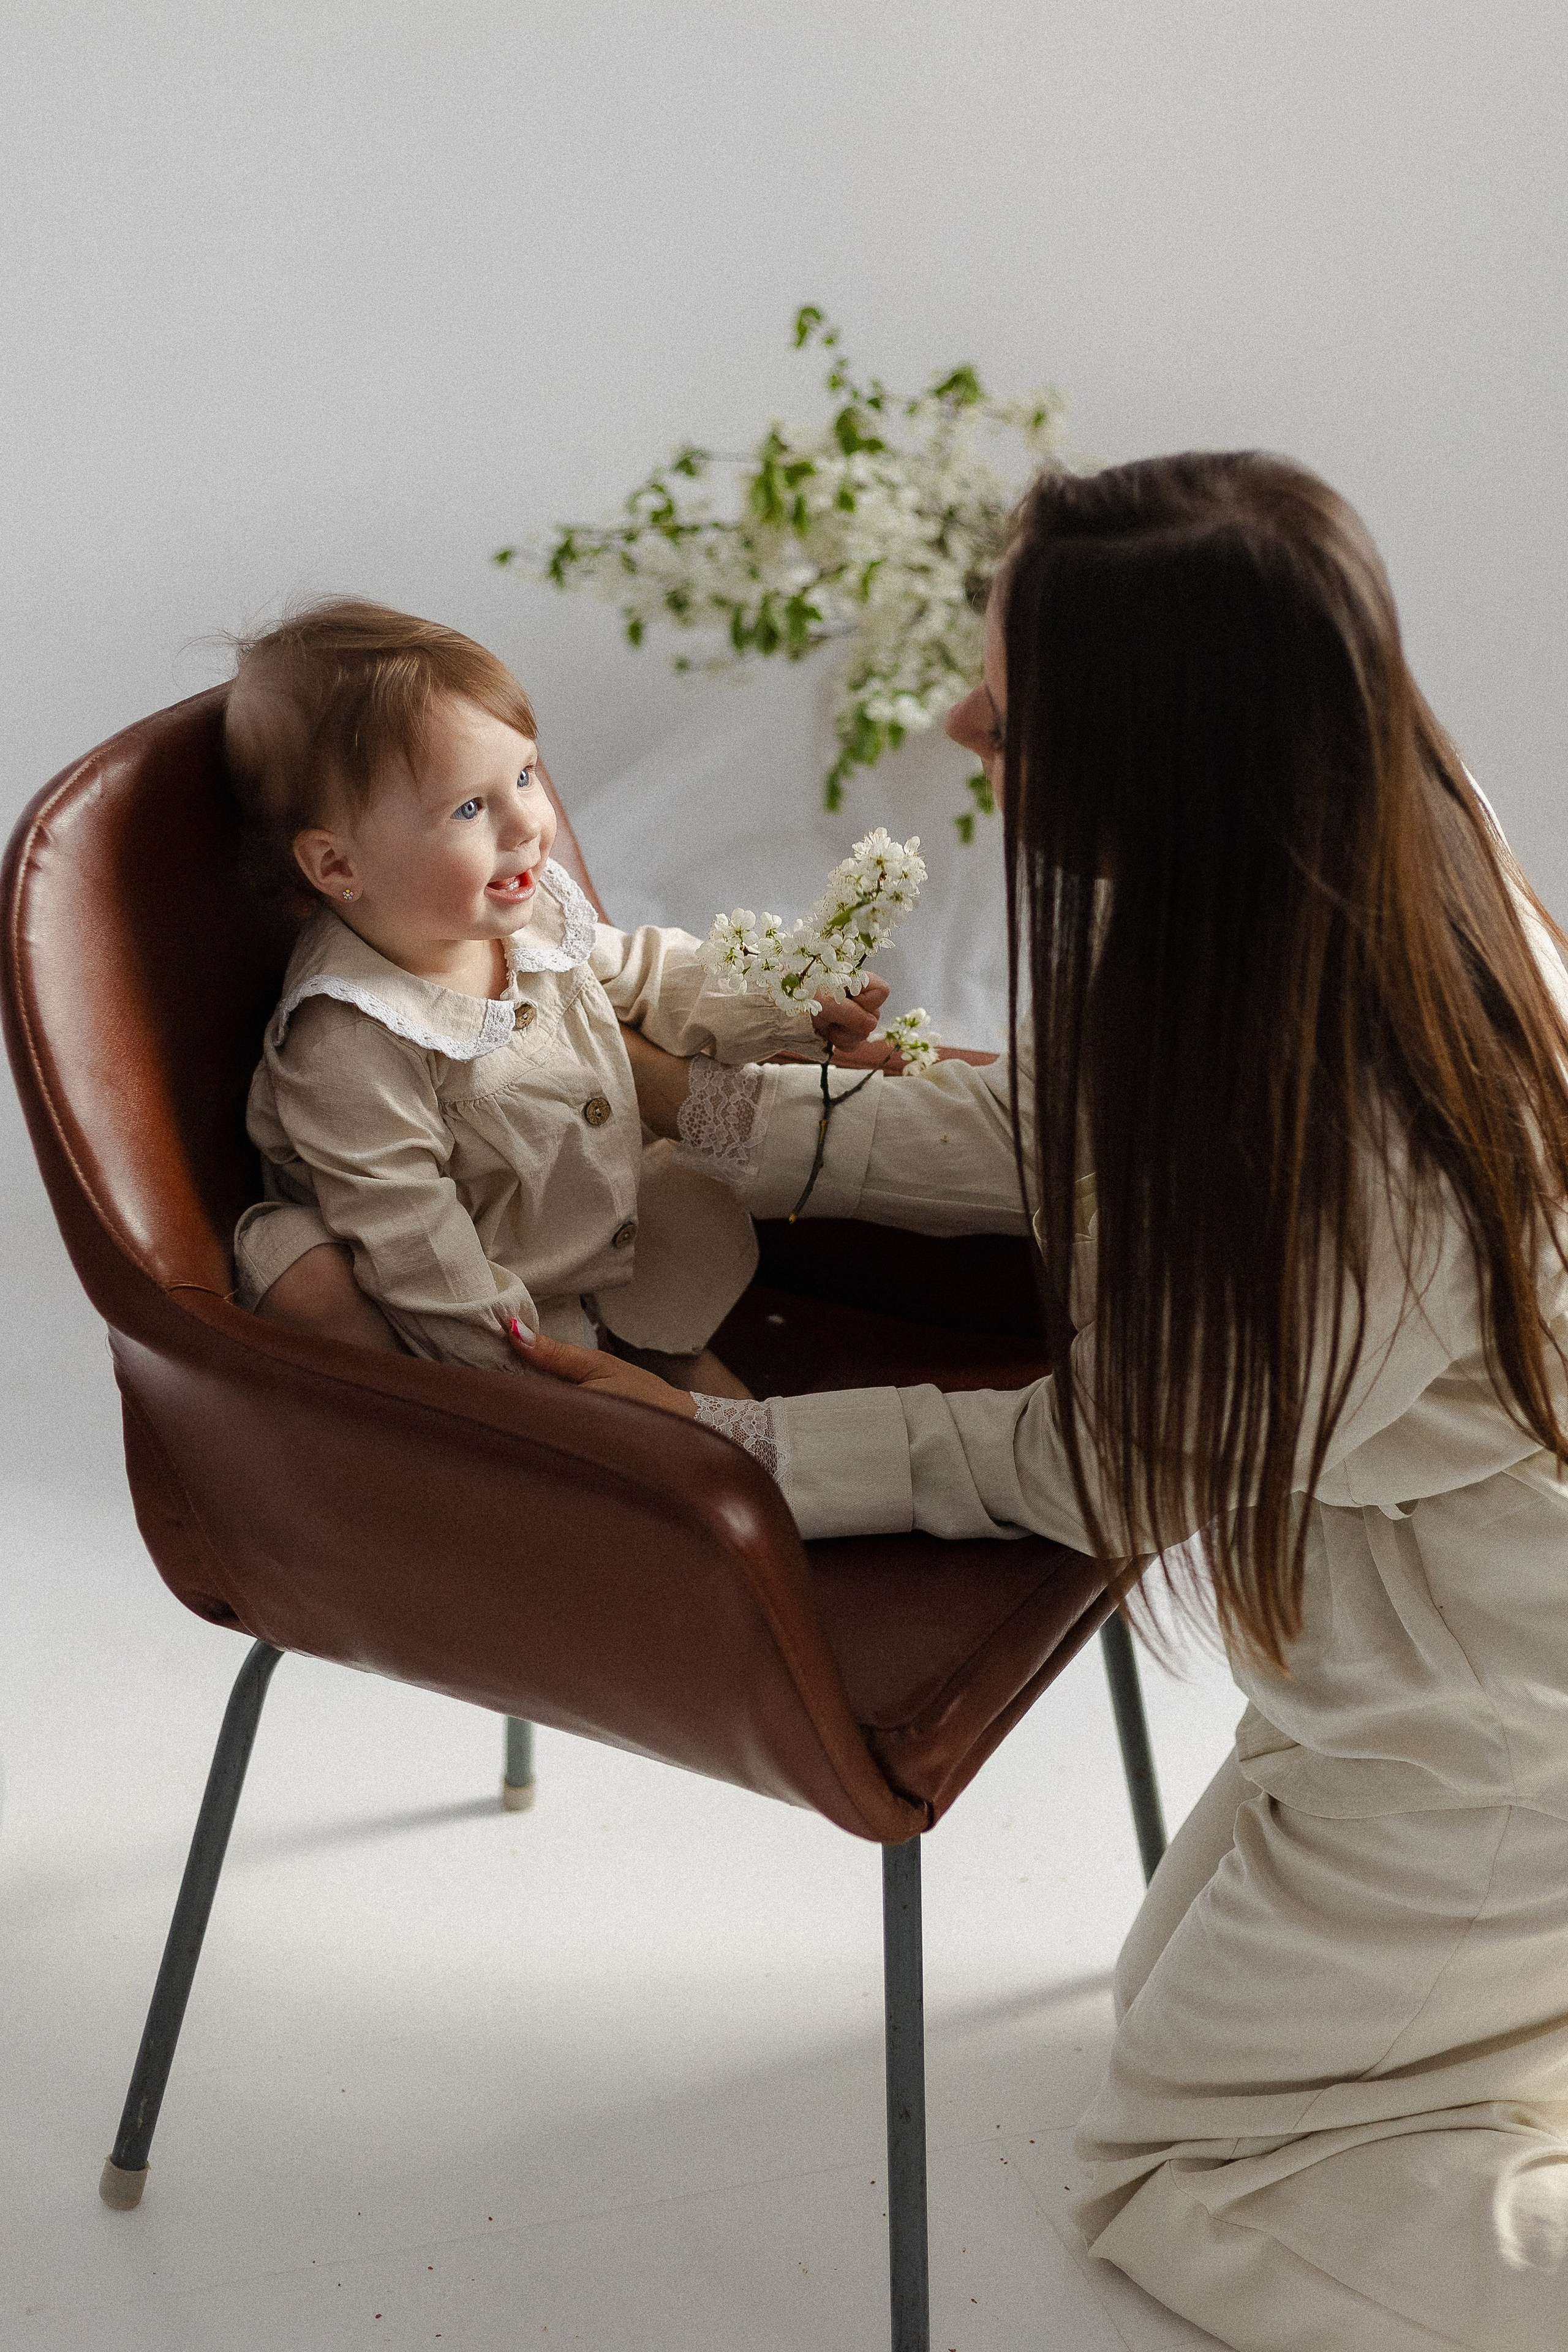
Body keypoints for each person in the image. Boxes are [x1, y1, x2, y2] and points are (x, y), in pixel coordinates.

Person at [504, 453, 1568, 2349]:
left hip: (1498, 1727)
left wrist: (728, 1450)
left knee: (1184, 2172)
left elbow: (1102, 1462)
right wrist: (714, 1115)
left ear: (1168, 742)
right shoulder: (1333, 863)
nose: (963, 722)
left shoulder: (1374, 1142)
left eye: (1016, 693)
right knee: (1169, 2000)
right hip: (1415, 1641)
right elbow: (1058, 1130)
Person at [224, 599, 891, 1398]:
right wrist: (533, 1374)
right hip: (467, 1304)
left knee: (727, 1427)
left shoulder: (526, 910)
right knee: (315, 1279)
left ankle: (736, 1443)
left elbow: (652, 973)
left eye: (526, 775)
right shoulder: (348, 1044)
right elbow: (418, 1249)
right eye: (470, 808)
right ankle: (469, 1443)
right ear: (337, 868)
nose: (527, 824)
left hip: (586, 1229)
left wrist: (787, 1001)